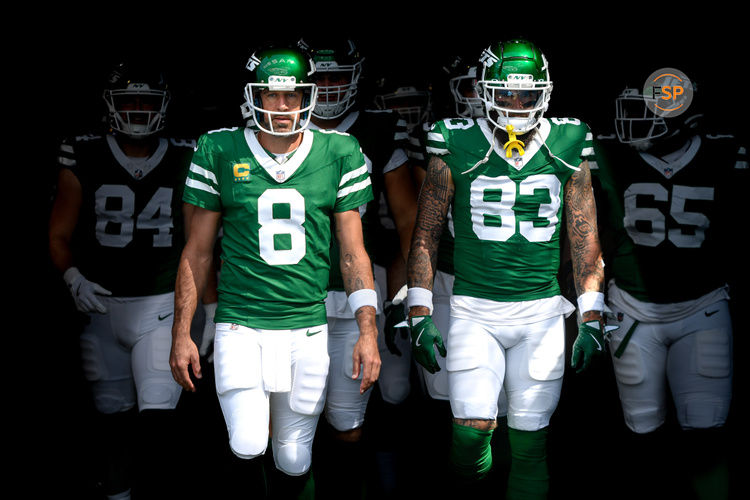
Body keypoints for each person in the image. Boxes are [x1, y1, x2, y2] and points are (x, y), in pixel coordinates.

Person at [168, 43, 380, 499]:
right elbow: (197, 251)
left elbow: (353, 253)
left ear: (309, 95)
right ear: (253, 96)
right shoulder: (218, 147)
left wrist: (368, 329)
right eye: (270, 94)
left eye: (292, 95)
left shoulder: (339, 150)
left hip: (307, 325)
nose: (282, 107)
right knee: (246, 442)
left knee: (293, 456)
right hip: (241, 322)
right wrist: (182, 331)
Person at [404, 39, 611, 499]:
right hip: (474, 310)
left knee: (530, 441)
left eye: (527, 95)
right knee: (471, 432)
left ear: (545, 93)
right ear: (484, 92)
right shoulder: (454, 138)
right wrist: (419, 310)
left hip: (540, 313)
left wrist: (592, 314)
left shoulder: (569, 139)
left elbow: (585, 238)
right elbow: (426, 234)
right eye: (505, 93)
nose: (516, 105)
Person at [48, 59, 199, 499]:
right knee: (113, 422)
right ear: (109, 105)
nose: (136, 109)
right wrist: (72, 276)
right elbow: (58, 232)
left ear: (165, 106)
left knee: (157, 421)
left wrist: (205, 306)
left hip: (161, 304)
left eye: (146, 101)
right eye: (128, 99)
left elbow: (202, 240)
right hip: (100, 305)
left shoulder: (187, 153)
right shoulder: (84, 151)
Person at [591, 85, 743, 499]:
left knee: (707, 431)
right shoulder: (604, 153)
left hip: (703, 308)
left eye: (650, 106)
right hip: (632, 310)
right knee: (642, 430)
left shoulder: (725, 153)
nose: (635, 115)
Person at [297, 36, 419, 498]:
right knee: (292, 414)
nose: (326, 88)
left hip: (357, 288)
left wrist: (406, 290)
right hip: (293, 288)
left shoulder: (379, 127)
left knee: (358, 415)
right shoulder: (277, 122)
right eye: (318, 77)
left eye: (335, 77)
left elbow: (407, 217)